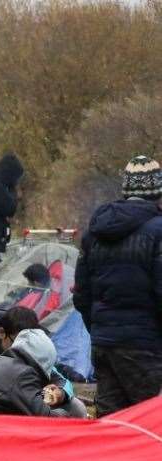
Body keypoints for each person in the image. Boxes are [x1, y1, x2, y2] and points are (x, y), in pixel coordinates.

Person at [72, 155, 162, 414]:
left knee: (112, 427)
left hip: (103, 344)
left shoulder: (94, 233)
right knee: (150, 422)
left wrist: (101, 328)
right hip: (146, 347)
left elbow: (81, 296)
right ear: (157, 192)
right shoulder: (158, 232)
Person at [0, 327, 86, 418]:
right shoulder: (23, 374)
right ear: (43, 361)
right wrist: (70, 416)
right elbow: (44, 418)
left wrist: (60, 393)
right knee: (75, 407)